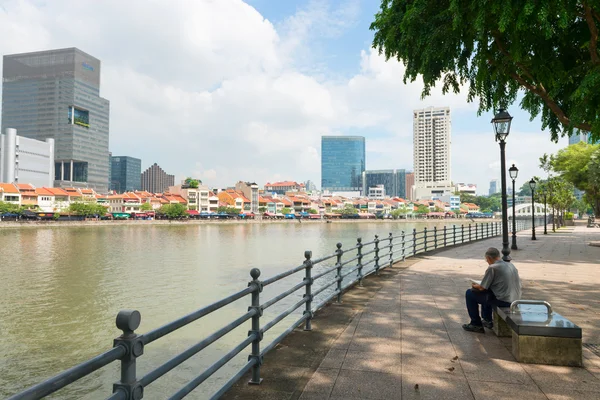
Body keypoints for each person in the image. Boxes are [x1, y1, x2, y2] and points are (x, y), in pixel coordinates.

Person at [463, 247, 522, 333]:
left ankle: (475, 323)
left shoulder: (493, 268)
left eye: (486, 260)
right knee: (488, 292)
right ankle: (487, 320)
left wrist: (474, 286)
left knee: (470, 293)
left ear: (489, 258)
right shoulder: (510, 265)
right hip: (515, 299)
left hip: (504, 300)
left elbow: (482, 287)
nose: (487, 262)